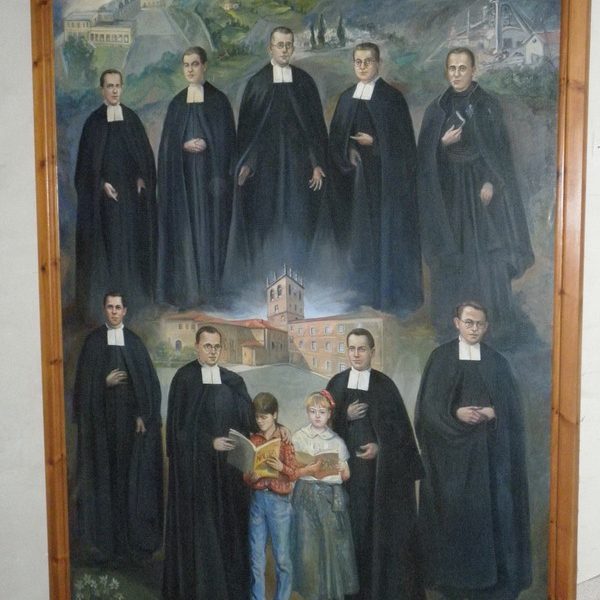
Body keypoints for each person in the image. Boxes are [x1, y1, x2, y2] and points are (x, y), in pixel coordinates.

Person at [415, 301, 531, 599]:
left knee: (490, 517)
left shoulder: (497, 362)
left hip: (489, 461)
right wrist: (456, 414)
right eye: (469, 322)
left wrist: (493, 412)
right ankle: (452, 581)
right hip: (451, 464)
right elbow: (427, 411)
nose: (474, 329)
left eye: (479, 324)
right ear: (457, 323)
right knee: (456, 521)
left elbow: (512, 410)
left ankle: (492, 580)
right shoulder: (440, 358)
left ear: (486, 326)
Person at [416, 47, 534, 343]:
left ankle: (493, 322)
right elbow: (424, 160)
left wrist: (491, 182)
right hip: (449, 196)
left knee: (486, 257)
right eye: (452, 68)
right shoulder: (437, 109)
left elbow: (500, 154)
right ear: (446, 71)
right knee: (452, 254)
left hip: (481, 194)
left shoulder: (487, 105)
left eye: (462, 68)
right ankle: (452, 323)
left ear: (473, 70)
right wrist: (441, 144)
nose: (456, 74)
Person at [326, 328, 425, 599]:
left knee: (376, 534)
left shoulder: (385, 385)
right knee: (351, 533)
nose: (356, 354)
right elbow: (321, 427)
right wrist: (344, 415)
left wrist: (380, 448)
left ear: (372, 351)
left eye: (362, 349)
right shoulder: (336, 384)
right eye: (352, 349)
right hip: (347, 478)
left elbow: (402, 434)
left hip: (379, 480)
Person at [226, 26, 328, 281]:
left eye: (288, 45)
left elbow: (314, 130)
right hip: (265, 170)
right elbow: (249, 133)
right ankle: (265, 279)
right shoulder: (257, 83)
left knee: (299, 221)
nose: (284, 50)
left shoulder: (304, 82)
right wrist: (248, 163)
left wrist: (316, 163)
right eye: (279, 45)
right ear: (269, 48)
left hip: (299, 168)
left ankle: (301, 278)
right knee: (266, 223)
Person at [328, 42, 422, 315]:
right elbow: (335, 139)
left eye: (367, 61)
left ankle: (386, 296)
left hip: (386, 186)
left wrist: (376, 143)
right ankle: (360, 291)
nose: (362, 66)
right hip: (356, 185)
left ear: (378, 63)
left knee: (384, 239)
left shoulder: (392, 98)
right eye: (358, 62)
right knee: (358, 240)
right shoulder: (347, 97)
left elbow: (405, 147)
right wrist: (348, 151)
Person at [163, 326, 254, 599]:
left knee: (228, 528)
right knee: (203, 531)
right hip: (197, 473)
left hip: (227, 474)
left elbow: (249, 421)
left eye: (216, 346)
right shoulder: (184, 379)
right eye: (207, 346)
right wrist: (208, 442)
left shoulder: (232, 381)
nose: (213, 352)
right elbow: (178, 431)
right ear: (197, 347)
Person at [73, 292, 163, 563]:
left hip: (129, 432)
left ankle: (130, 542)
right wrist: (104, 382)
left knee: (128, 484)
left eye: (118, 307)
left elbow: (148, 385)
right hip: (101, 431)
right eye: (110, 307)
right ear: (104, 310)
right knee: (105, 483)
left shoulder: (134, 343)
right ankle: (105, 544)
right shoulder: (93, 342)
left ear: (125, 311)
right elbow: (82, 388)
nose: (114, 312)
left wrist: (143, 415)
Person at [75, 69, 157, 322]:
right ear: (102, 90)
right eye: (109, 86)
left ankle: (134, 302)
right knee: (109, 251)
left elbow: (144, 158)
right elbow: (84, 170)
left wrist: (142, 178)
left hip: (131, 200)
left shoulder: (131, 119)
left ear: (122, 88)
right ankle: (107, 306)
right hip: (104, 205)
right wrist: (101, 185)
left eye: (117, 86)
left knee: (131, 249)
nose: (114, 90)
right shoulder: (93, 123)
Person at [156, 47, 236, 307]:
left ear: (205, 66)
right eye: (186, 65)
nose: (190, 69)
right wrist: (183, 145)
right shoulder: (177, 104)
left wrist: (210, 144)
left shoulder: (219, 101)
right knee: (186, 233)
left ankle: (212, 293)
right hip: (184, 184)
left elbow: (229, 142)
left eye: (195, 64)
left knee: (211, 233)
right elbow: (166, 146)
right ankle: (187, 292)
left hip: (212, 184)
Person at [244, 392, 316, 600]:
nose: (260, 421)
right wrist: (251, 476)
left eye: (264, 417)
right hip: (258, 501)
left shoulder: (284, 440)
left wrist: (281, 467)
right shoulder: (253, 440)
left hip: (280, 504)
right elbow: (246, 477)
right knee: (256, 559)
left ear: (274, 415)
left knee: (283, 559)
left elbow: (294, 473)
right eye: (257, 417)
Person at [291, 390, 359, 600]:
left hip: (330, 498)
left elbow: (346, 475)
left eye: (322, 412)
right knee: (308, 547)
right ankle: (310, 592)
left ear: (329, 414)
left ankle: (329, 592)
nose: (317, 416)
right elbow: (292, 471)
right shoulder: (299, 437)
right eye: (313, 411)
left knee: (330, 545)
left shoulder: (336, 441)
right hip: (305, 495)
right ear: (307, 413)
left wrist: (341, 468)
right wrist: (308, 469)